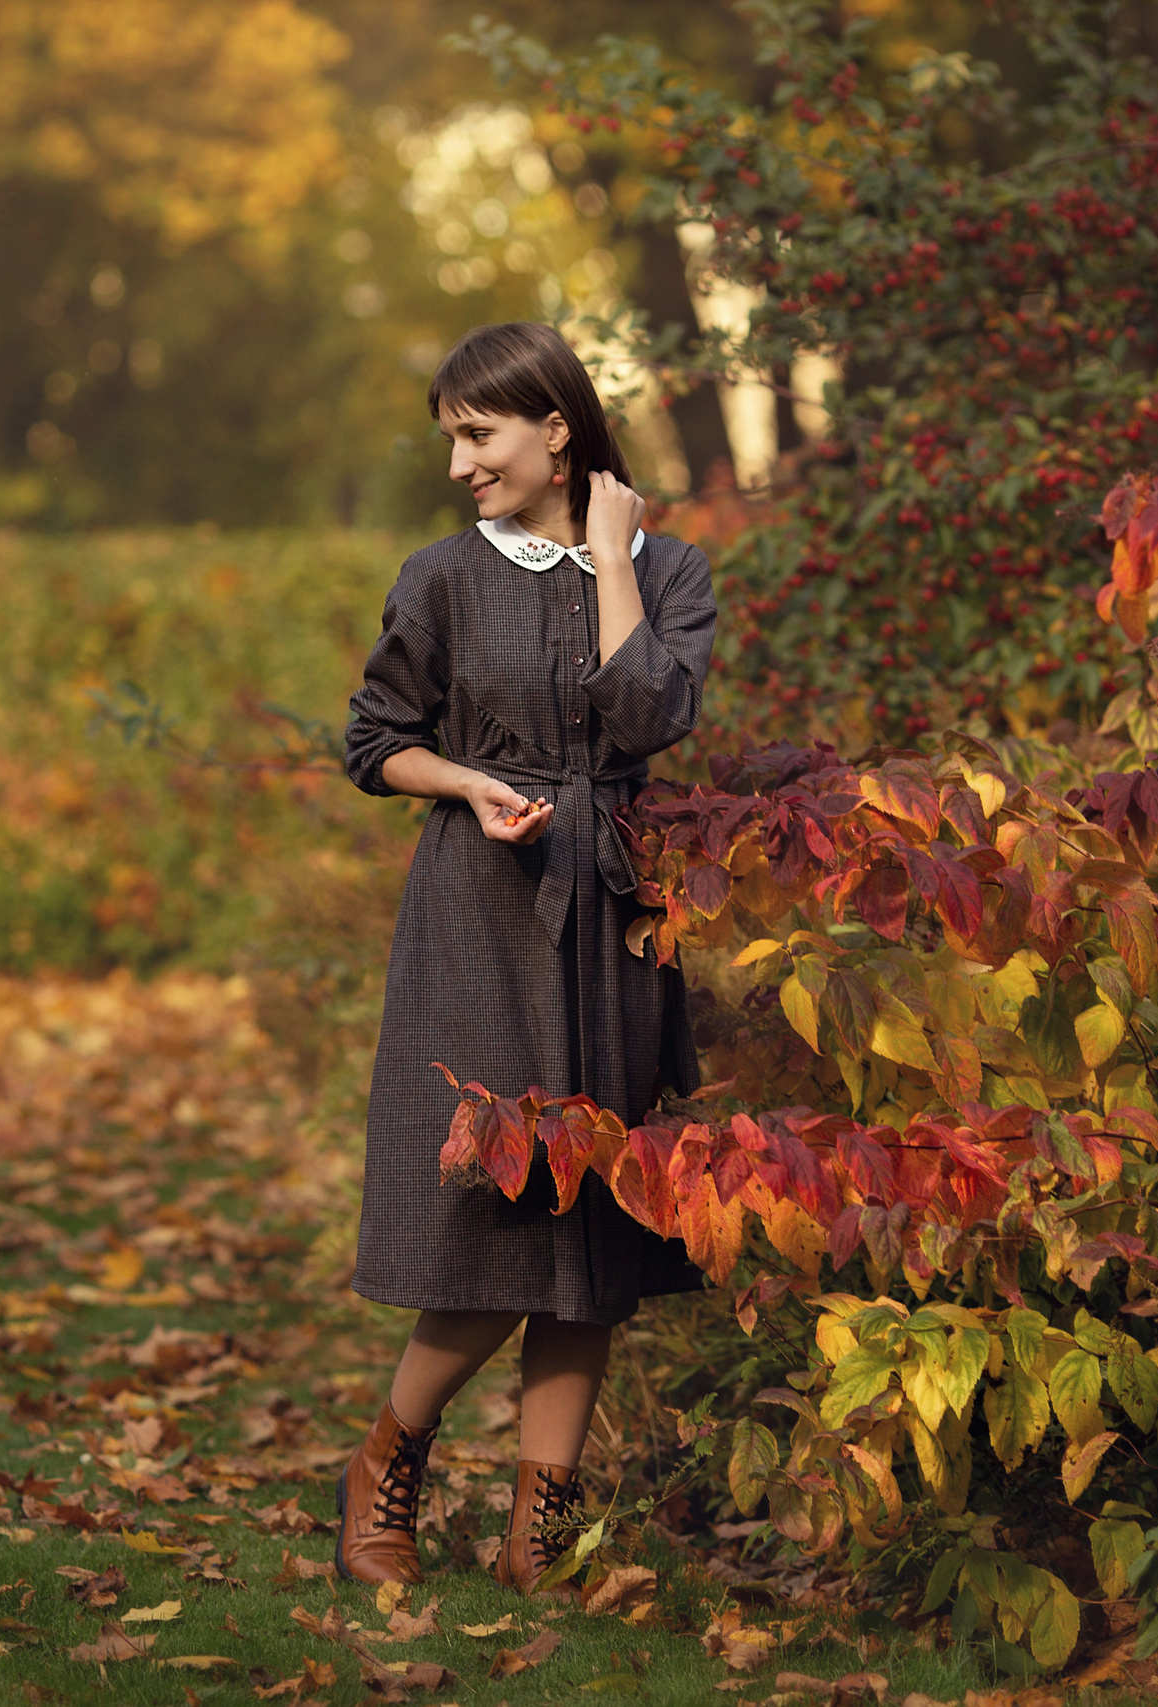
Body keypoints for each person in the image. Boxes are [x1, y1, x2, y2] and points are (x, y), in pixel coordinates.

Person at [334, 322, 716, 1592]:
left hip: (612, 920)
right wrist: (469, 783)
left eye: (478, 435)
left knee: (589, 1235)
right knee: (490, 1210)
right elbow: (374, 740)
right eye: (452, 438)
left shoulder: (667, 574)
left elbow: (649, 714)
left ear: (556, 431)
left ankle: (535, 1530)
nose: (459, 466)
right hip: (479, 917)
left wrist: (610, 558)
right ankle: (392, 1452)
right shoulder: (439, 577)